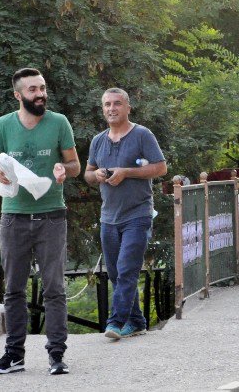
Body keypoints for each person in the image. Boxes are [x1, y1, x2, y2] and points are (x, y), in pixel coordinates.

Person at [0, 68, 81, 375]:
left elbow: (75, 164)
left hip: (52, 215)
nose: (40, 94)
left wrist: (64, 170)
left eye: (42, 88)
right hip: (13, 217)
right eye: (32, 90)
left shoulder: (58, 122)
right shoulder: (3, 125)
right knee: (13, 289)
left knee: (54, 288)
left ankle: (56, 355)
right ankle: (14, 355)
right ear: (18, 95)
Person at [84, 88, 167, 339]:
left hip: (138, 214)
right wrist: (96, 176)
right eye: (107, 104)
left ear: (128, 108)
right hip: (108, 217)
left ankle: (115, 322)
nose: (112, 108)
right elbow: (87, 173)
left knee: (127, 268)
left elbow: (161, 168)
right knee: (115, 273)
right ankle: (137, 321)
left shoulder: (142, 135)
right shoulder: (98, 140)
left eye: (117, 104)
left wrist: (126, 172)